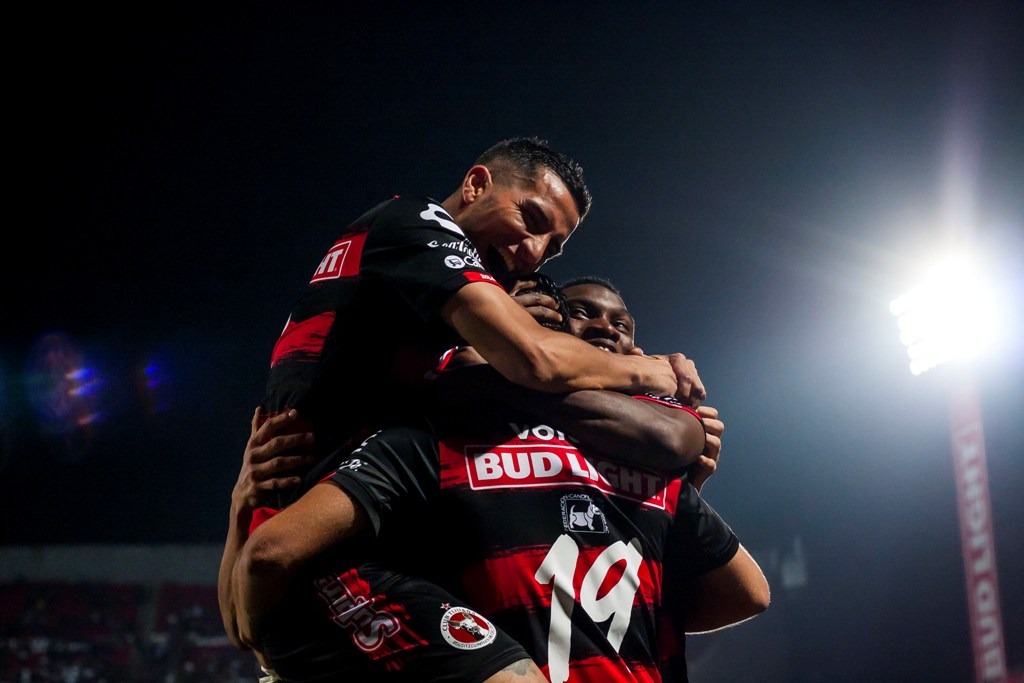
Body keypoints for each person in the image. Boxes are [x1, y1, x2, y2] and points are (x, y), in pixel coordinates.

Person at [218, 138, 707, 671]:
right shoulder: (415, 223)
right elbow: (536, 359)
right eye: (532, 218)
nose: (535, 251)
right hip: (331, 570)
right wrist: (651, 370)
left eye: (553, 245)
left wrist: (240, 503)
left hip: (323, 567)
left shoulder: (416, 350)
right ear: (476, 185)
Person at [226, 278, 767, 682]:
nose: (603, 330)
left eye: (621, 326)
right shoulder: (655, 468)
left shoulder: (436, 440)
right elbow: (747, 593)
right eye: (577, 315)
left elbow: (270, 561)